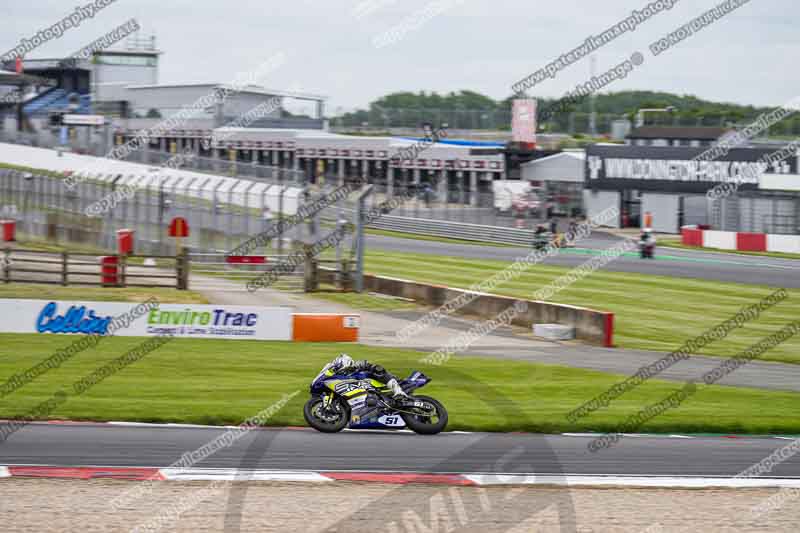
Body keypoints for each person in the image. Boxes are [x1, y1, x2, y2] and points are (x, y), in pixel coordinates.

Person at [325, 354, 409, 401]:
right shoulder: (343, 376)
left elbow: (366, 364)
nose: (336, 369)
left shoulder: (355, 366)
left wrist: (363, 366)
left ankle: (398, 391)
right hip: (367, 392)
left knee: (377, 369)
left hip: (379, 384)